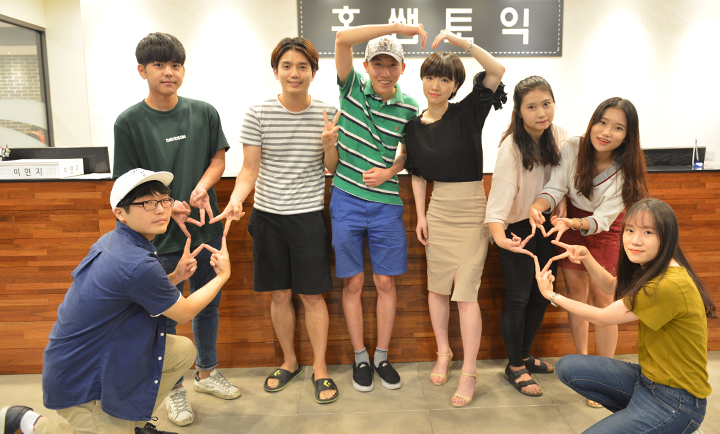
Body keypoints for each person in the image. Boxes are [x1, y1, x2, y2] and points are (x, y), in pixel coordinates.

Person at [0, 168, 231, 434]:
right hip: (83, 379)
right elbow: (185, 312)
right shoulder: (136, 262)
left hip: (99, 355)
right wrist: (222, 276)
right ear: (120, 213)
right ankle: (27, 422)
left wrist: (176, 276)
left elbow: (134, 291)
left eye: (164, 200)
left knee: (181, 351)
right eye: (147, 203)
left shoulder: (116, 242)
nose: (160, 210)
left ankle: (135, 425)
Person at [112, 33, 239, 427]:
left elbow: (218, 161)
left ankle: (207, 372)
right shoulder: (129, 122)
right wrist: (168, 204)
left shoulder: (204, 112)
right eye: (159, 65)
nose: (169, 72)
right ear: (142, 70)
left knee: (207, 303)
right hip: (157, 235)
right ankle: (173, 388)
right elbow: (127, 183)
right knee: (164, 313)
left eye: (176, 65)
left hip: (204, 227)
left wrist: (201, 187)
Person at [210, 37, 340, 404]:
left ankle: (320, 368)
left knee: (312, 295)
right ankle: (289, 361)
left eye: (302, 66)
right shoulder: (258, 113)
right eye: (287, 66)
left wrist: (329, 143)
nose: (294, 73)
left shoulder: (329, 112)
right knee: (280, 294)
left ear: (314, 72)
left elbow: (332, 168)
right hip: (268, 216)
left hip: (308, 216)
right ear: (275, 71)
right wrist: (236, 200)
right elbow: (249, 169)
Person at [534, 198, 715, 433]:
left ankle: (658, 424)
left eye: (648, 232)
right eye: (630, 230)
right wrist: (586, 256)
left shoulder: (667, 284)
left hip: (676, 402)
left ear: (667, 237)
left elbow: (602, 317)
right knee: (569, 366)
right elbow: (611, 285)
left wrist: (551, 295)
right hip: (647, 381)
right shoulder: (654, 269)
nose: (635, 240)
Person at [404, 30, 505, 407]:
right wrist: (421, 216)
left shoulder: (468, 112)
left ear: (456, 85)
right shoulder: (412, 127)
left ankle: (470, 370)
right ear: (422, 80)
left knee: (465, 293)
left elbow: (496, 70)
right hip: (439, 209)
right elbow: (416, 174)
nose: (436, 85)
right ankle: (443, 352)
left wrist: (460, 42)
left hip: (472, 209)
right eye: (431, 76)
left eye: (445, 79)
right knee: (436, 289)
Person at [528, 97, 648, 407]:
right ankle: (582, 368)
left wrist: (572, 222)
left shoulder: (626, 168)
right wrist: (538, 206)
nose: (606, 132)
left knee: (604, 300)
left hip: (606, 228)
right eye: (602, 122)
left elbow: (603, 219)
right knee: (576, 295)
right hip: (571, 221)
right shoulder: (572, 147)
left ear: (628, 135)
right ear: (593, 122)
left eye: (618, 128)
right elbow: (556, 187)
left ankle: (605, 374)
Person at [332, 23, 426, 392]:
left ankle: (381, 356)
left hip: (387, 203)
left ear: (402, 68)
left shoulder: (410, 106)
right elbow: (342, 40)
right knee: (353, 282)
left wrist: (389, 170)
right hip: (346, 198)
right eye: (377, 64)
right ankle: (360, 357)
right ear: (366, 66)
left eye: (391, 65)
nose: (384, 72)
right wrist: (398, 28)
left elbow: (406, 155)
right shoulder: (351, 88)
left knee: (385, 282)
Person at [485, 76, 566, 397]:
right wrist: (500, 238)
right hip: (515, 229)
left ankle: (526, 355)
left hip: (545, 226)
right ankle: (515, 366)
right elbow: (497, 204)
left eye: (546, 104)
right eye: (531, 107)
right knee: (519, 297)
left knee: (542, 295)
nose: (541, 112)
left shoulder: (558, 135)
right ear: (519, 112)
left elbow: (563, 181)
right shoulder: (511, 148)